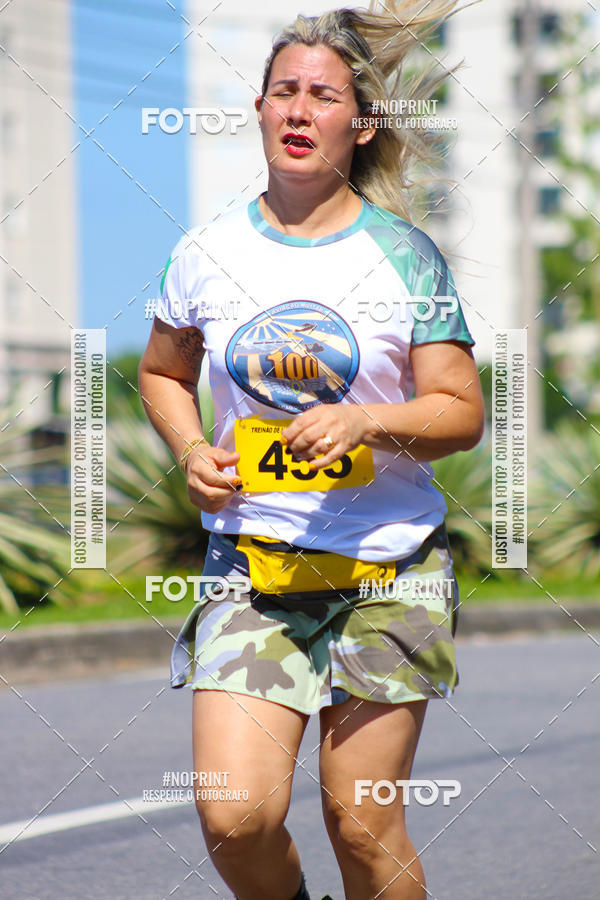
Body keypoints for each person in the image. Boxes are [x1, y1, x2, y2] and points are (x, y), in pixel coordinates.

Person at [139, 2, 483, 897]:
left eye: (322, 95)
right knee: (235, 816)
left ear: (360, 123)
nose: (297, 110)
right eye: (281, 92)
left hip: (387, 568)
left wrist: (368, 421)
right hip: (252, 566)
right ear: (257, 111)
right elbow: (163, 374)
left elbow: (460, 411)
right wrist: (189, 451)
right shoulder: (205, 251)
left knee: (363, 826)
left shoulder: (404, 257)